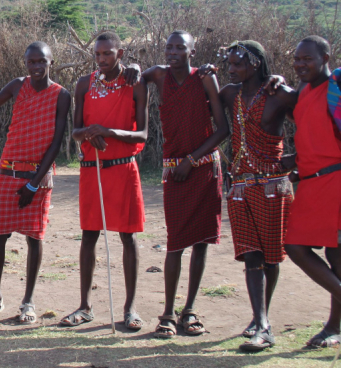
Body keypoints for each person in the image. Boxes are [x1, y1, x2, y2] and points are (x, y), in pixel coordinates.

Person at [133, 31, 229, 338]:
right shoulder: (159, 76)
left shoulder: (204, 79)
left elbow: (222, 129)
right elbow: (138, 76)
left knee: (200, 242)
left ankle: (189, 310)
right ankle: (167, 314)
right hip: (175, 171)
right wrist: (135, 71)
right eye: (169, 47)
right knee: (174, 241)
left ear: (192, 50)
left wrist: (192, 159)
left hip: (202, 168)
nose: (173, 52)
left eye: (180, 47)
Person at [0, 42, 70, 325]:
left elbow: (56, 144)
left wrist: (34, 184)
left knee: (35, 238)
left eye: (42, 62)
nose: (36, 67)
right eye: (31, 62)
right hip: (8, 171)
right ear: (25, 63)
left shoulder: (61, 95)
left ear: (52, 62)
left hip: (38, 177)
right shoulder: (17, 86)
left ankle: (27, 303)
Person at [65, 31, 149, 331]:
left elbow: (143, 135)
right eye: (98, 55)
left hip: (124, 168)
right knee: (89, 235)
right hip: (92, 168)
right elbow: (75, 132)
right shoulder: (84, 84)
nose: (101, 60)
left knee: (128, 236)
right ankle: (85, 306)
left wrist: (109, 133)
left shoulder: (135, 84)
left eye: (107, 54)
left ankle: (130, 309)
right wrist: (90, 133)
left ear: (120, 54)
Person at [217, 40, 296, 352]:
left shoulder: (281, 94)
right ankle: (260, 321)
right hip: (239, 186)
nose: (232, 69)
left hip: (273, 185)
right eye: (230, 64)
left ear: (256, 63)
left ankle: (262, 320)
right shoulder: (230, 93)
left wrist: (295, 158)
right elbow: (205, 99)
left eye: (237, 64)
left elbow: (314, 124)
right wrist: (207, 73)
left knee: (271, 256)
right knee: (251, 255)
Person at [283, 36, 341, 349]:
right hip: (310, 182)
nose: (300, 64)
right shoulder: (303, 92)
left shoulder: (336, 89)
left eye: (307, 59)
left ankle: (334, 326)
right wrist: (293, 160)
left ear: (326, 57)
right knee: (295, 246)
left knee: (336, 255)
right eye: (297, 59)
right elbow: (311, 135)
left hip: (335, 181)